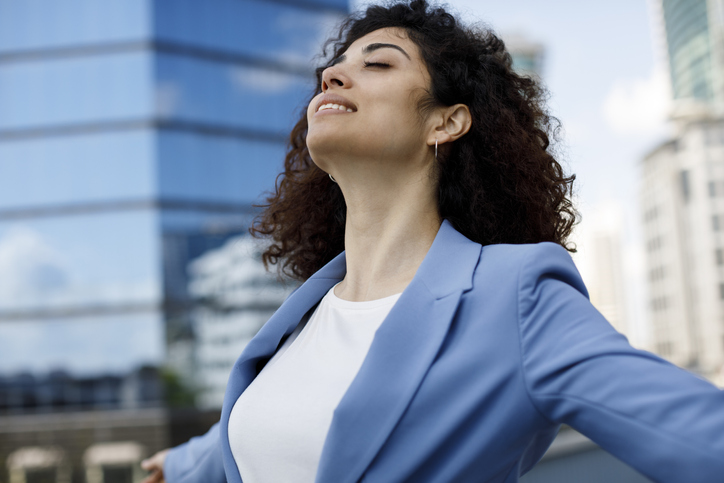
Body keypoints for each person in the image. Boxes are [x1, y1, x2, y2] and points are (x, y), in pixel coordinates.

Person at [141, 1, 724, 482]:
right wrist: (179, 462)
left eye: (379, 65)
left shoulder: (516, 297)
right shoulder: (306, 313)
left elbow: (693, 432)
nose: (333, 74)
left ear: (446, 122)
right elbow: (256, 434)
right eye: (336, 64)